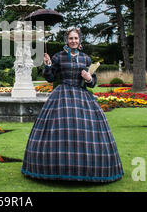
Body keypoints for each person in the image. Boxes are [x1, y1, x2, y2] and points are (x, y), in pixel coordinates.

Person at [21, 27, 124, 182]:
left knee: (84, 133)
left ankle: (86, 169)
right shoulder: (58, 57)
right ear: (66, 40)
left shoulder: (86, 59)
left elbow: (92, 83)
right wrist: (48, 65)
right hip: (61, 97)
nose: (73, 41)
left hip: (82, 97)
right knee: (62, 131)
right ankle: (55, 168)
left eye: (76, 38)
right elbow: (50, 78)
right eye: (71, 38)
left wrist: (89, 77)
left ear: (79, 40)